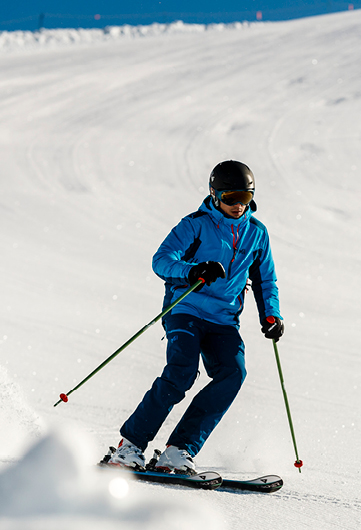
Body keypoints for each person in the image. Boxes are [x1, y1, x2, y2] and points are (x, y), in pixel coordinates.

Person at [108, 160, 284, 475]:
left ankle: (179, 450)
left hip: (224, 319)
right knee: (181, 373)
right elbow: (161, 260)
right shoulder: (195, 225)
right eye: (230, 197)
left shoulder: (257, 233)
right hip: (186, 309)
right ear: (215, 195)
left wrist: (271, 315)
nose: (238, 205)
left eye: (244, 198)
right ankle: (129, 447)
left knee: (233, 373)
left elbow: (266, 280)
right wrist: (193, 271)